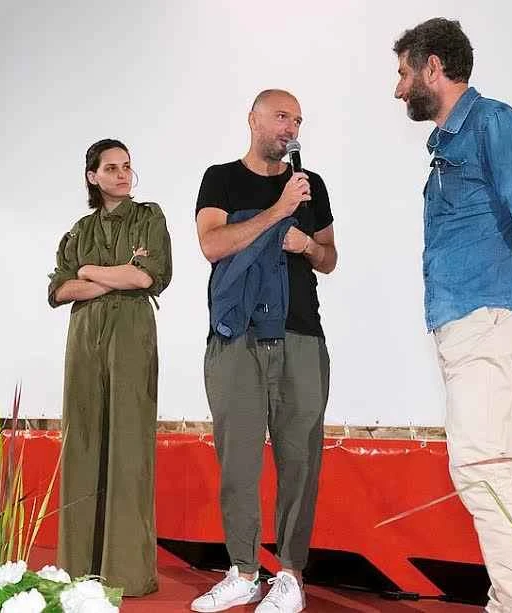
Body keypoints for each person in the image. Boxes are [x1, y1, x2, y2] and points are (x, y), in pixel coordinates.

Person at [392, 19, 512, 613]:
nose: (398, 89)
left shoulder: (494, 123)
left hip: (484, 317)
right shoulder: (447, 145)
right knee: (490, 465)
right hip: (470, 320)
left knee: (484, 468)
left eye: (404, 73)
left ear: (434, 67)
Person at [190, 89, 337, 613]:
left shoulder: (311, 184)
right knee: (238, 460)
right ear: (253, 120)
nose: (290, 127)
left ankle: (290, 576)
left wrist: (308, 245)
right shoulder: (221, 179)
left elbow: (329, 258)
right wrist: (279, 211)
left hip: (300, 336)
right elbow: (212, 245)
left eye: (297, 120)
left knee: (300, 460)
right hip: (237, 337)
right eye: (280, 116)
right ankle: (244, 572)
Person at [48, 138, 172, 596]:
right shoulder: (78, 231)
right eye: (112, 168)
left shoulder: (149, 217)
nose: (122, 175)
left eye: (127, 166)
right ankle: (79, 567)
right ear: (93, 177)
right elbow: (59, 291)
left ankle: (126, 573)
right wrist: (111, 275)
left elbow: (145, 276)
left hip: (131, 336)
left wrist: (88, 272)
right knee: (81, 441)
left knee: (129, 445)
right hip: (85, 339)